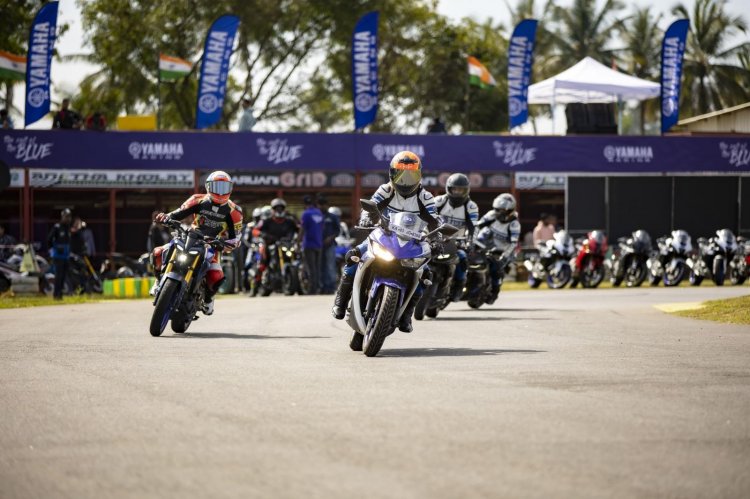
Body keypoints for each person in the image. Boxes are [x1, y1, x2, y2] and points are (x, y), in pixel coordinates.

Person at [332, 150, 439, 333]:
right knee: (353, 256)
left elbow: (435, 220)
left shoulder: (425, 197)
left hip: (412, 241)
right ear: (392, 173)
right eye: (401, 174)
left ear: (419, 175)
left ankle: (406, 315)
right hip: (384, 235)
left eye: (411, 175)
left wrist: (437, 237)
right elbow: (371, 206)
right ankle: (341, 303)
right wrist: (366, 218)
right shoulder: (386, 189)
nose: (406, 180)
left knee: (425, 274)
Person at [152, 171, 243, 315]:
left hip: (212, 244)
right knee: (158, 252)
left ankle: (208, 299)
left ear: (230, 189)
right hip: (191, 235)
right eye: (216, 187)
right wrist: (165, 217)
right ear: (208, 187)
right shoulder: (197, 199)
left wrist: (226, 244)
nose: (220, 192)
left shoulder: (235, 211)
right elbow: (176, 214)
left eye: (224, 188)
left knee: (216, 275)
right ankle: (158, 282)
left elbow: (236, 238)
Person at [433, 173, 479, 301]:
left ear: (467, 190)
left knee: (462, 258)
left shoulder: (471, 206)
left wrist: (470, 242)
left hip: (457, 241)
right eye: (455, 189)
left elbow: (473, 227)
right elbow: (426, 218)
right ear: (449, 188)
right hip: (435, 239)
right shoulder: (439, 201)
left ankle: (459, 284)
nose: (458, 193)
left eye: (461, 190)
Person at [475, 193, 521, 305]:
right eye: (497, 209)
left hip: (502, 251)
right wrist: (471, 240)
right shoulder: (491, 215)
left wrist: (504, 256)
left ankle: (494, 291)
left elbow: (513, 243)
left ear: (510, 210)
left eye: (502, 210)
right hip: (485, 245)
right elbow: (476, 226)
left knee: (496, 268)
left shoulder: (514, 224)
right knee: (486, 231)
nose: (498, 213)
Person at [252, 198, 298, 285]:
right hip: (270, 244)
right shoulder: (266, 221)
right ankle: (256, 280)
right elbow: (255, 230)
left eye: (281, 208)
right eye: (277, 208)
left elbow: (298, 229)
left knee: (296, 256)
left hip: (286, 244)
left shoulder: (290, 221)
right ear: (273, 209)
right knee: (263, 261)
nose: (279, 210)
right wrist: (262, 234)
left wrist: (298, 237)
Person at [299, 195, 324, 295]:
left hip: (309, 244)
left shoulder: (306, 214)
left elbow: (302, 229)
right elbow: (322, 227)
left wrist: (297, 241)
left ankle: (312, 290)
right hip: (318, 243)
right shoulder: (319, 213)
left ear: (304, 204)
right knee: (317, 268)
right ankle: (317, 287)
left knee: (310, 268)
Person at [47, 208, 73, 299]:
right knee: (58, 275)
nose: (68, 219)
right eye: (66, 217)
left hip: (66, 256)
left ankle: (60, 294)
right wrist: (52, 252)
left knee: (64, 276)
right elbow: (49, 240)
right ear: (62, 217)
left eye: (69, 217)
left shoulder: (68, 229)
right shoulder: (57, 227)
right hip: (58, 256)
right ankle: (56, 294)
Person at [317, 195, 340, 294]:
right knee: (320, 266)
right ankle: (322, 287)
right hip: (318, 245)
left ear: (327, 205)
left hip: (330, 244)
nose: (322, 206)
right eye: (320, 204)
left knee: (330, 266)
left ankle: (331, 287)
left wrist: (330, 238)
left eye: (324, 204)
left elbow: (337, 230)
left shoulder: (332, 217)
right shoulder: (316, 216)